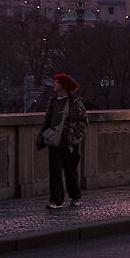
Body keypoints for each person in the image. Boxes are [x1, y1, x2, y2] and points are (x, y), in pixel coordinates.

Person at [42, 72, 87, 207]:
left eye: (57, 82)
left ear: (64, 85)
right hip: (54, 141)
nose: (54, 84)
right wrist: (44, 134)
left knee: (70, 171)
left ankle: (75, 196)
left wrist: (75, 138)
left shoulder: (74, 102)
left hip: (69, 142)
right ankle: (56, 200)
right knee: (55, 171)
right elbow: (48, 119)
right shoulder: (53, 100)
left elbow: (83, 121)